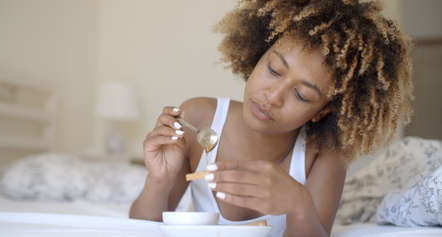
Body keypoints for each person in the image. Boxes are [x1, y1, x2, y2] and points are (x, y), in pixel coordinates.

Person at [129, 0, 413, 236]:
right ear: (258, 55)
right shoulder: (199, 118)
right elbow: (143, 229)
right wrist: (159, 179)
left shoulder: (323, 156)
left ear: (322, 112)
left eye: (301, 95)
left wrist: (299, 205)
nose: (273, 96)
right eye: (274, 70)